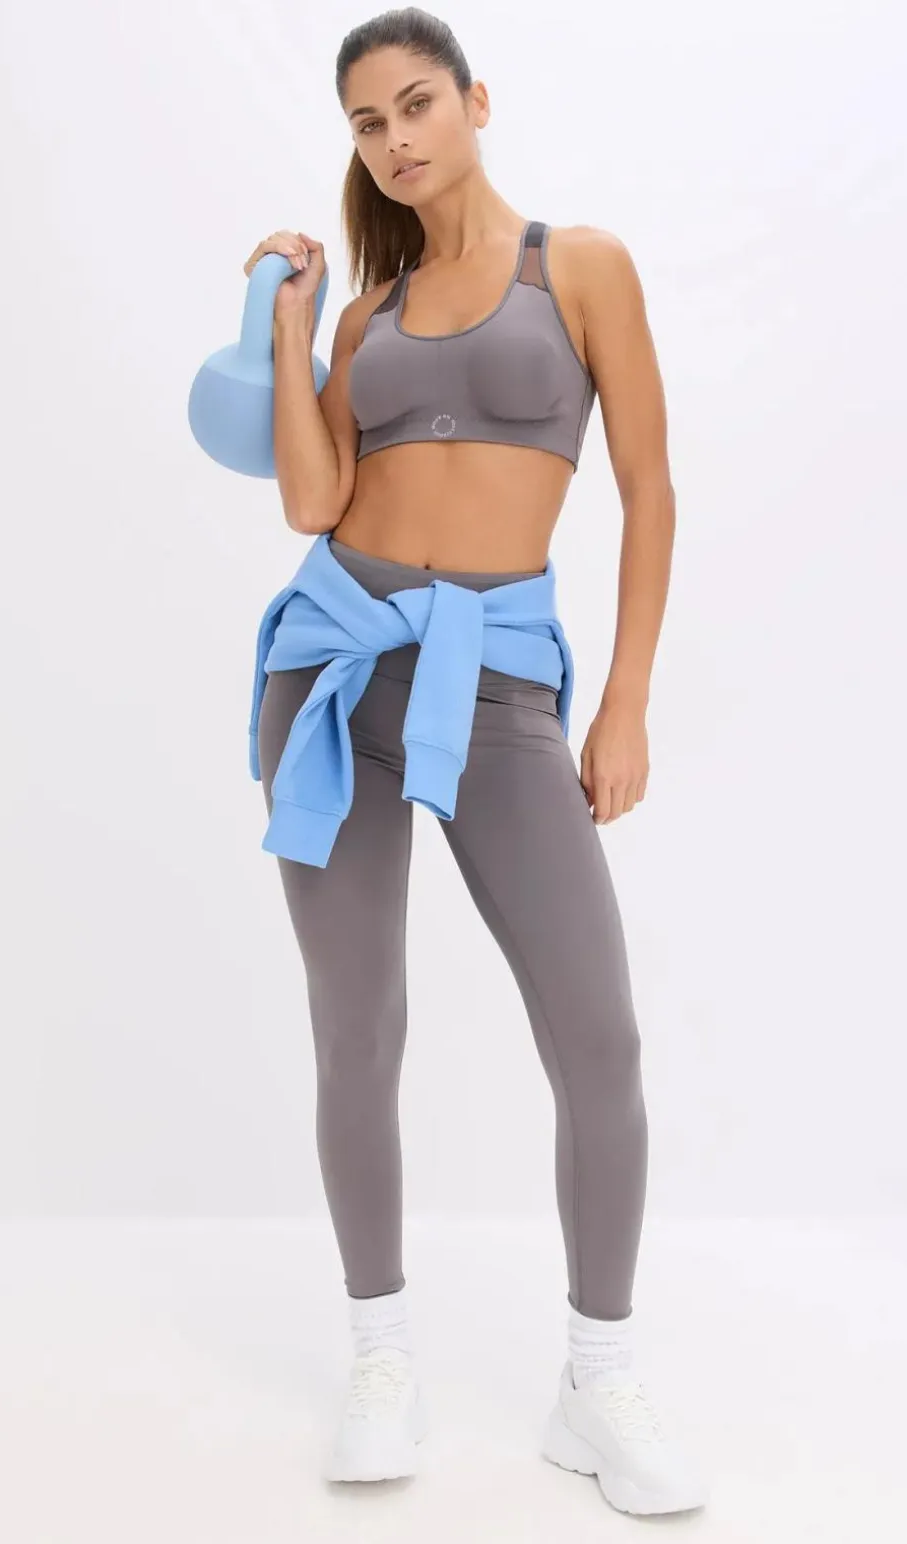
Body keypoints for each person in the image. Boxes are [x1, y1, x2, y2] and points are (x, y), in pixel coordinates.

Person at [241, 6, 709, 1518]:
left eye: (416, 104)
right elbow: (310, 504)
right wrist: (292, 329)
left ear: (474, 100)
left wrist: (623, 700)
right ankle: (380, 1356)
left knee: (598, 1038)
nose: (396, 138)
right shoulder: (368, 317)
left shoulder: (579, 267)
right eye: (368, 122)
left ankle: (598, 1376)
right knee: (358, 1031)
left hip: (499, 688)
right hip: (334, 673)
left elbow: (647, 486)